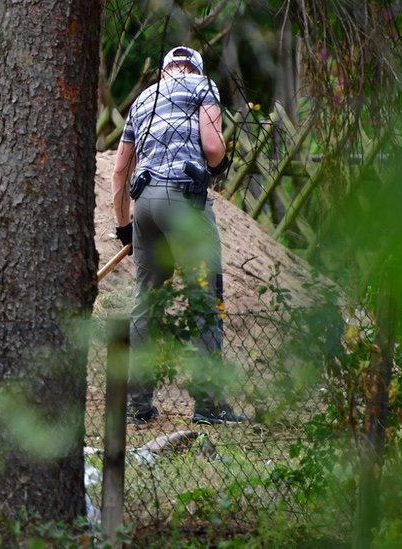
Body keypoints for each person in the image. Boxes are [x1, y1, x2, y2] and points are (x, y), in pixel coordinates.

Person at [109, 47, 246, 425]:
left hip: (145, 208)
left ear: (164, 70)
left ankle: (138, 407)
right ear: (194, 69)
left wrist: (124, 228)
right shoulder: (203, 85)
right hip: (184, 203)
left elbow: (120, 172)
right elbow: (214, 148)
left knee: (146, 303)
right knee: (204, 298)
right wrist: (218, 164)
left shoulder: (142, 99)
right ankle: (208, 405)